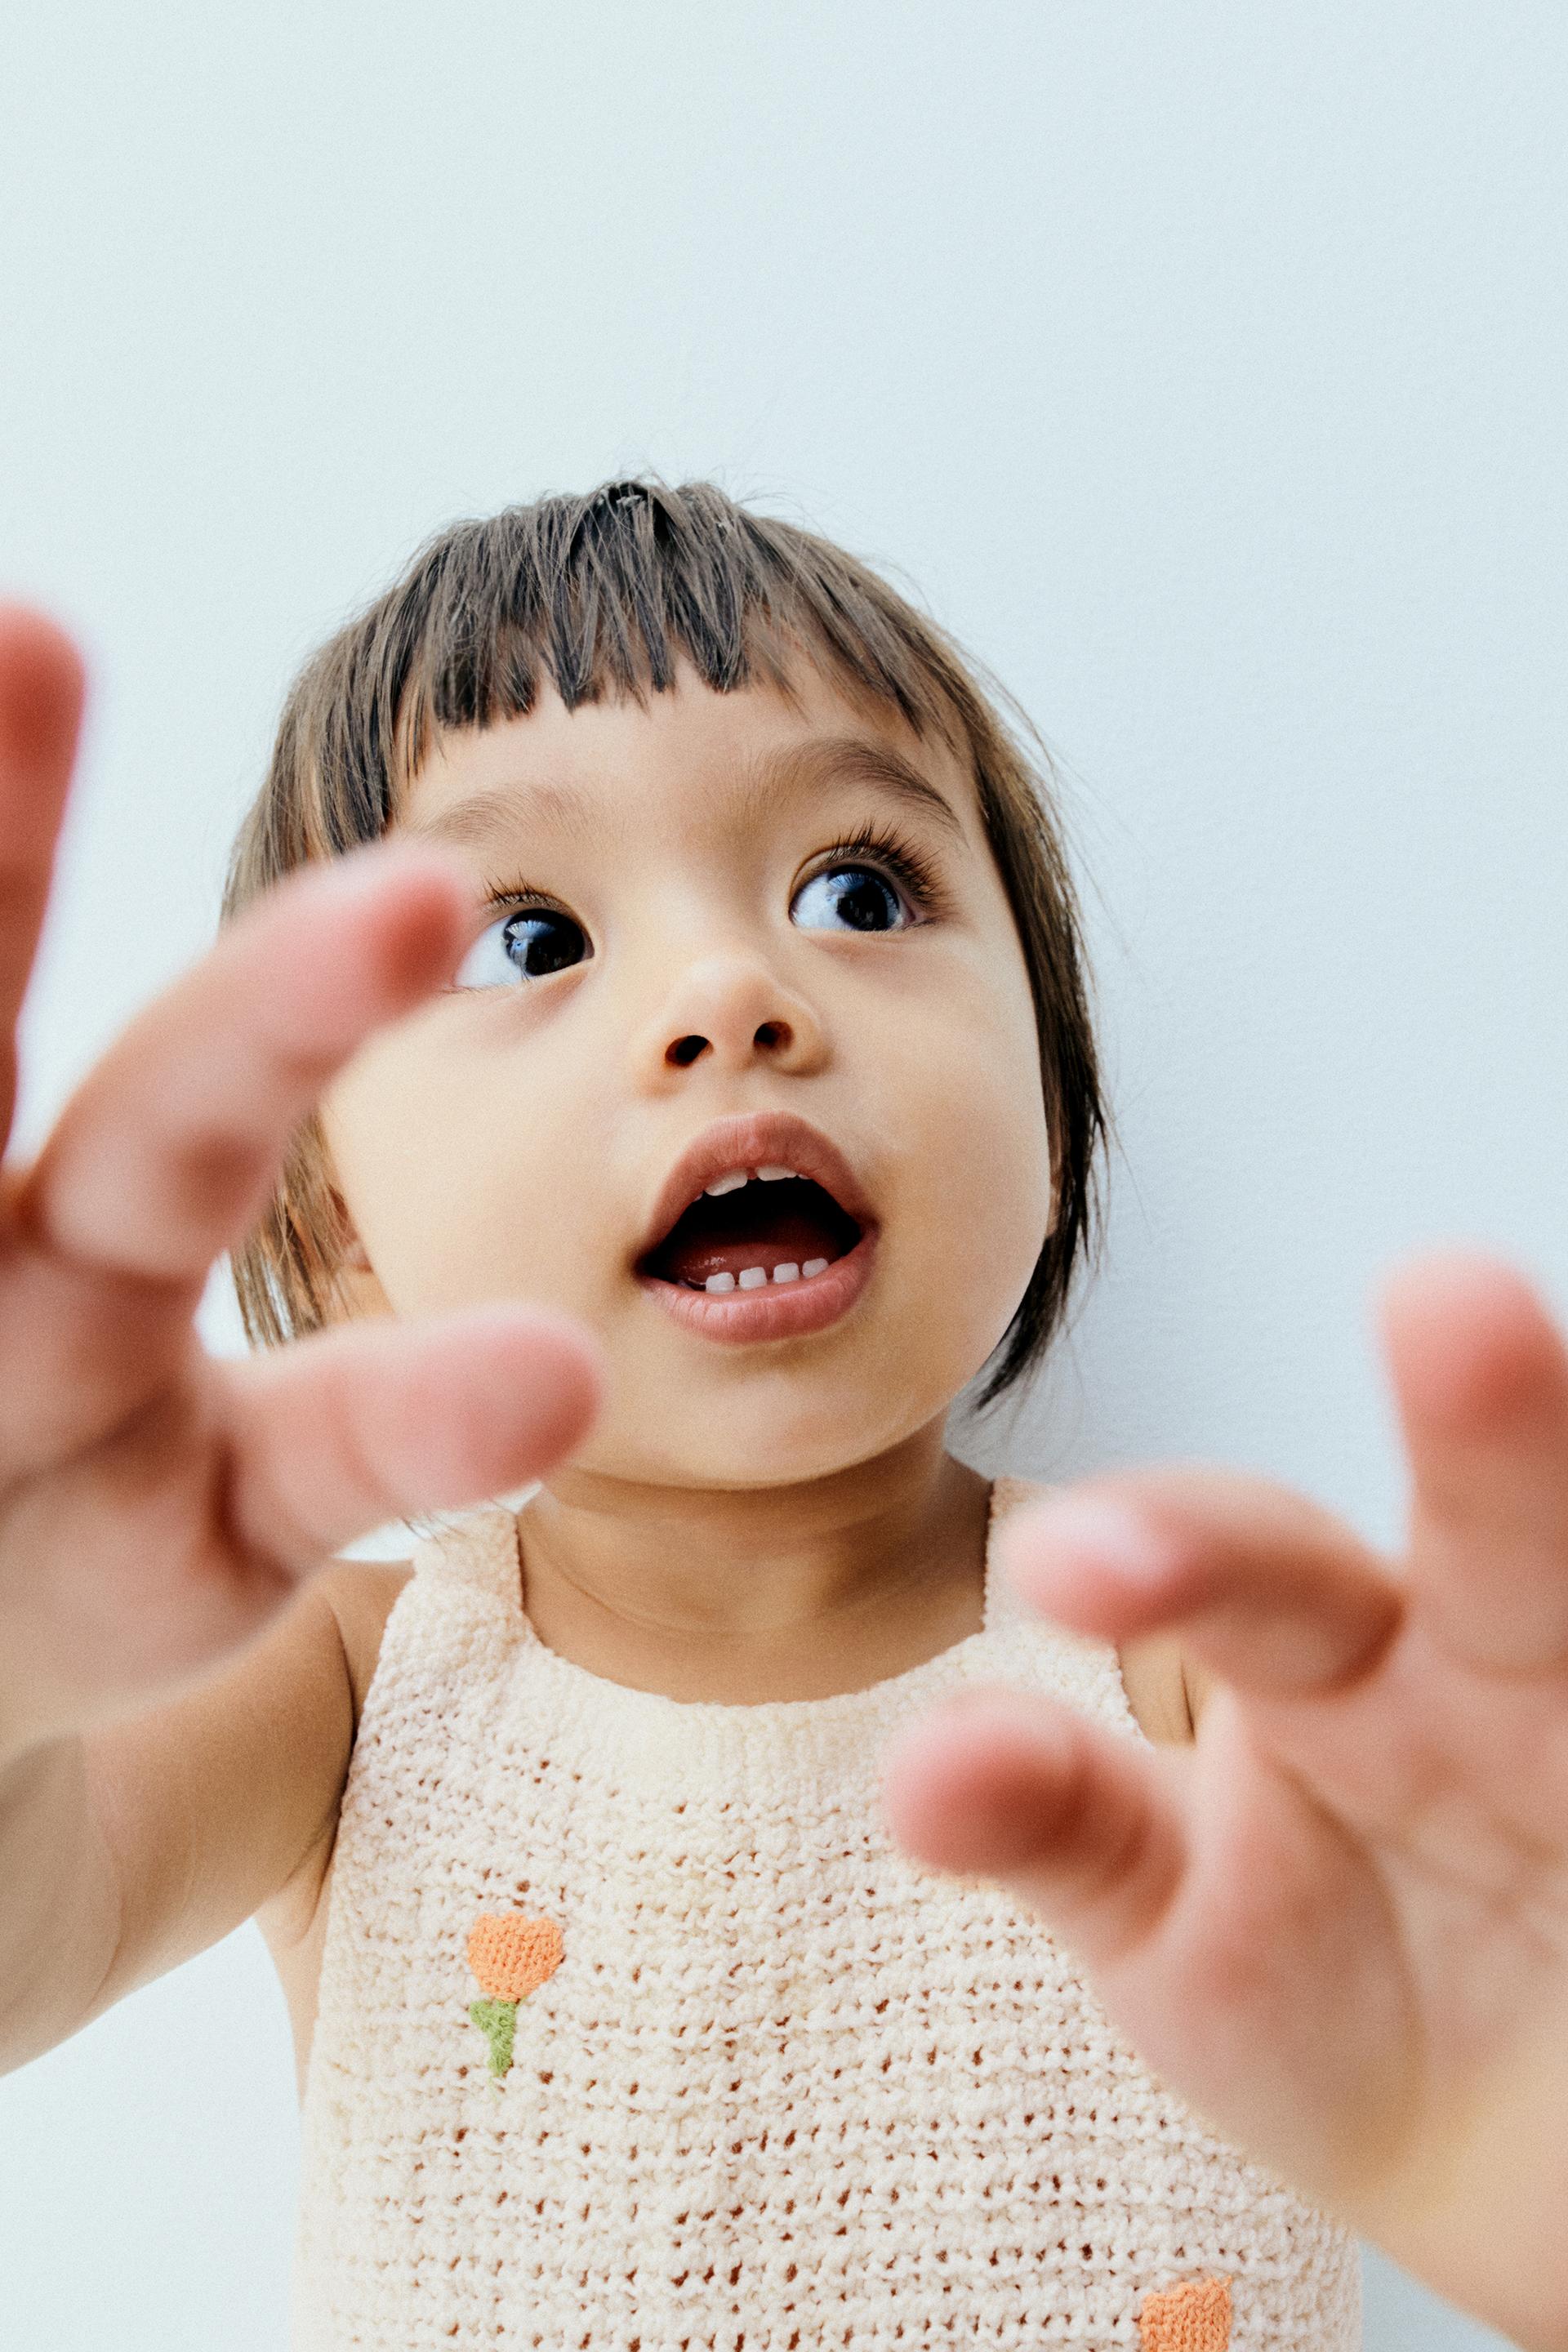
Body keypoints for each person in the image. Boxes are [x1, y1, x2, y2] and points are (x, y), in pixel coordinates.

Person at [0, 480, 1552, 2352]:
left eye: (857, 893)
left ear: (1051, 1115)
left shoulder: (1194, 1681)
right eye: (533, 938)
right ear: (340, 1231)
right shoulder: (343, 1691)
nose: (731, 993)